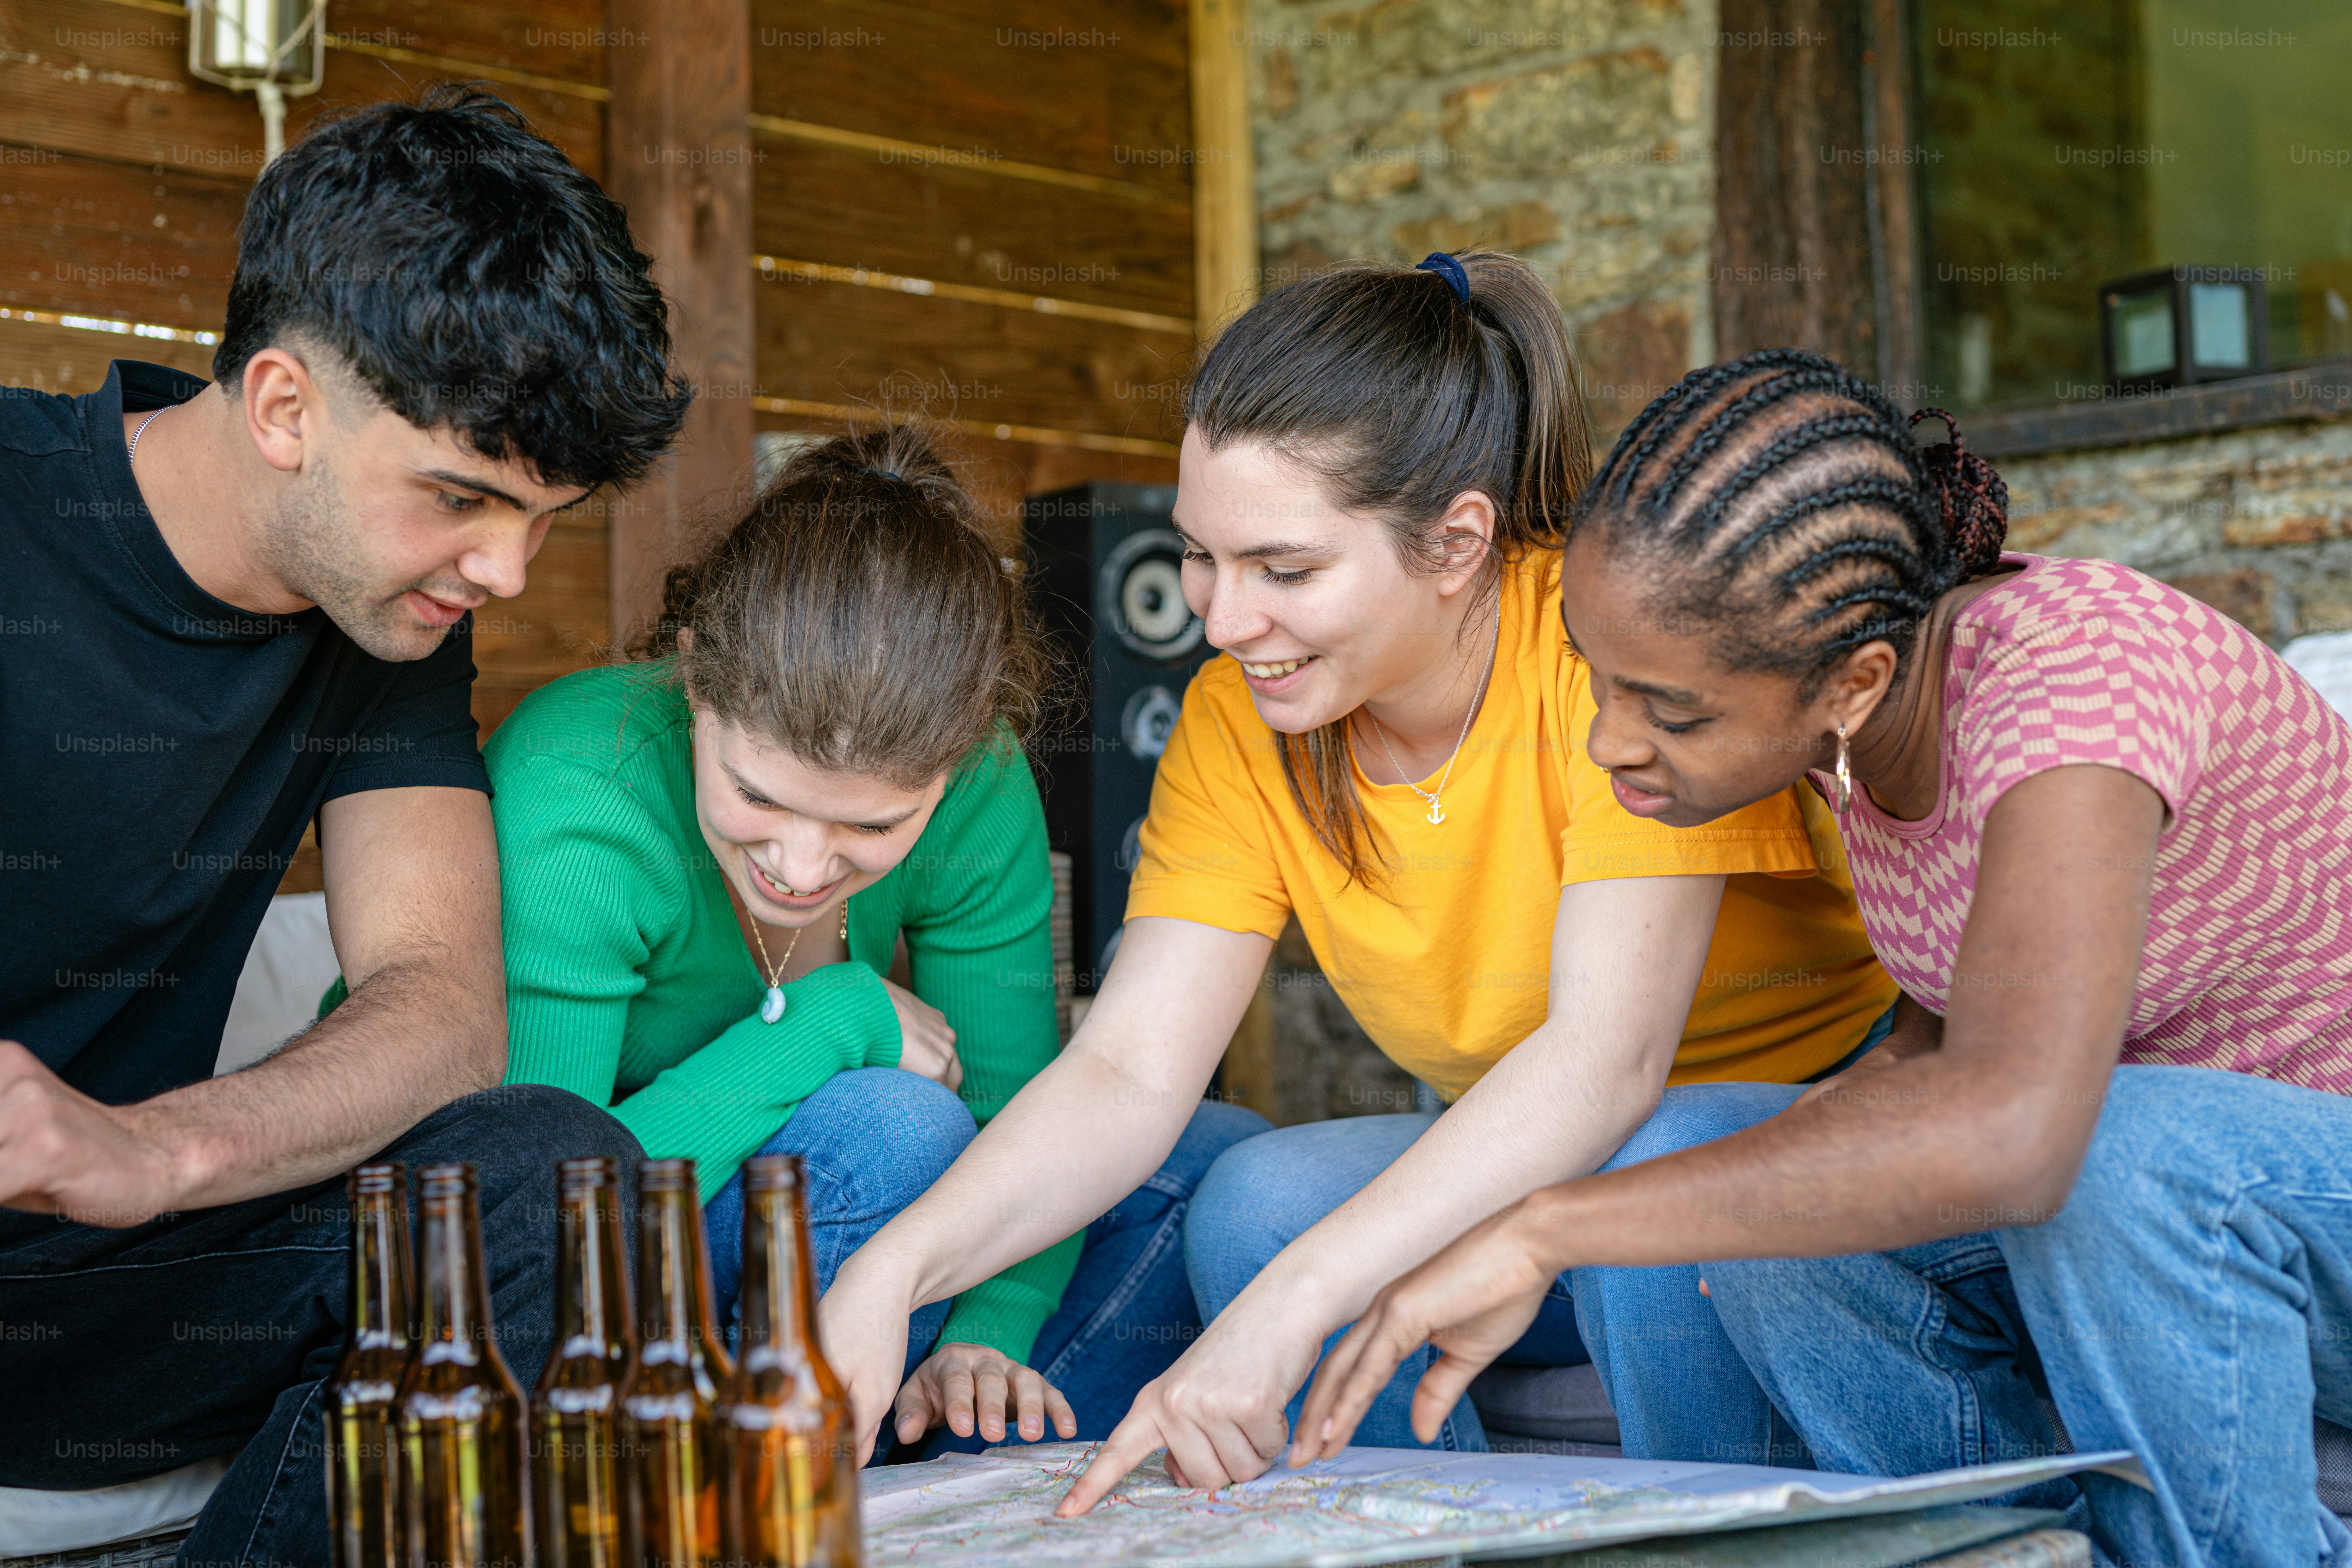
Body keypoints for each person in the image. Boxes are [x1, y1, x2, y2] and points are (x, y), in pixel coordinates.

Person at [813, 252, 1903, 1499]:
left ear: (1455, 543)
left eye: (1284, 571)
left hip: (1776, 1133)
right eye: (1201, 560)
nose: (1221, 622)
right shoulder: (1243, 722)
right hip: (1537, 1159)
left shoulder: (1602, 653)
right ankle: (1440, 1531)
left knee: (1645, 1188)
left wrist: (1298, 1300)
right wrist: (890, 1274)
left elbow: (1606, 1063)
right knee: (1255, 1198)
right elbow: (1124, 1072)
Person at [1291, 349, 2352, 1568]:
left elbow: (2013, 1132)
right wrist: (1717, 1192)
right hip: (2178, 1233)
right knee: (1756, 1181)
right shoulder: (1866, 727)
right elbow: (1925, 1065)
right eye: (1602, 682)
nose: (1611, 745)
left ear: (1857, 681)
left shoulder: (2078, 692)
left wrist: (1546, 1230)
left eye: (1673, 713)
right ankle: (1985, 1552)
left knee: (2116, 1147)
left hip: (2297, 1204)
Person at [0, 88, 688, 1562]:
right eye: (462, 498)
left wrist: (152, 1152)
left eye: (543, 518)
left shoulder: (386, 622)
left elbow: (444, 1011)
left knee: (549, 1187)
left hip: (106, 1293)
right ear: (283, 407)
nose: (505, 568)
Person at [488, 426, 1270, 1455]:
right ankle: (765, 1476)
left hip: (836, 1259)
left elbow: (1019, 1108)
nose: (803, 870)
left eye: (871, 828)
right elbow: (532, 1223)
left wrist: (986, 1334)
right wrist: (834, 1019)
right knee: (896, 1129)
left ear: (957, 759)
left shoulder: (980, 788)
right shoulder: (585, 793)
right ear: (694, 678)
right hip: (581, 1277)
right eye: (757, 797)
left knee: (1214, 1163)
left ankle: (946, 1445)